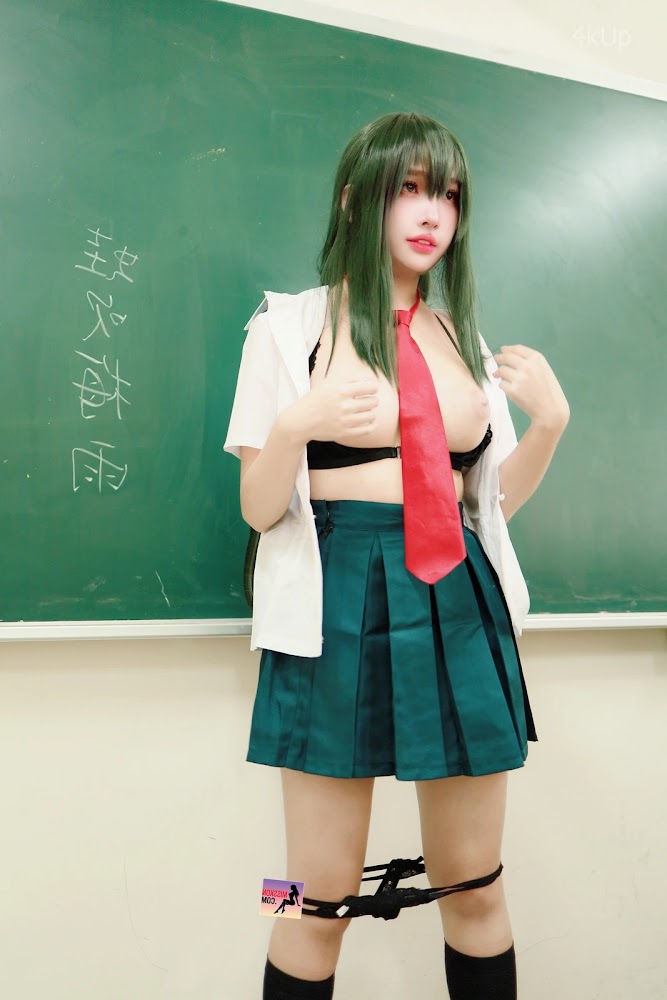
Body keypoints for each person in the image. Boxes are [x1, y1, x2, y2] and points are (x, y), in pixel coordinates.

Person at [225, 112, 569, 1000]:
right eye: (408, 189)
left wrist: (549, 426)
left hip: (459, 598)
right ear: (356, 198)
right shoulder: (284, 326)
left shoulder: (464, 342)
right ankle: (278, 912)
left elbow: (489, 509)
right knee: (308, 899)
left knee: (475, 886)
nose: (429, 213)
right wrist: (295, 427)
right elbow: (258, 507)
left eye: (446, 195)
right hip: (335, 598)